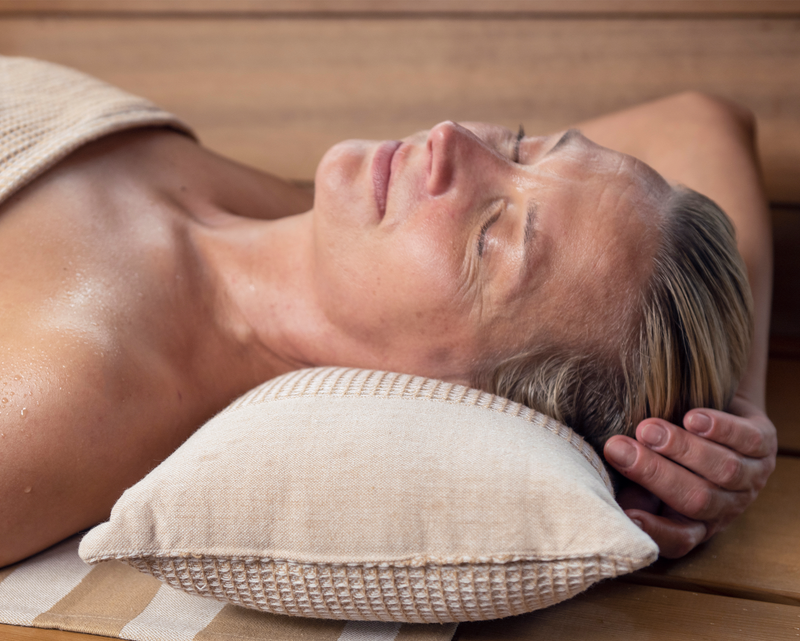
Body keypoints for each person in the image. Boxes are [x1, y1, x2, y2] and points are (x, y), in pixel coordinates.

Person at [0, 56, 776, 568]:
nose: (450, 142)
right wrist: (728, 412)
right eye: (523, 146)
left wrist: (660, 429)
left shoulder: (76, 389)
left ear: (476, 398)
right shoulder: (311, 228)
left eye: (492, 237)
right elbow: (697, 122)